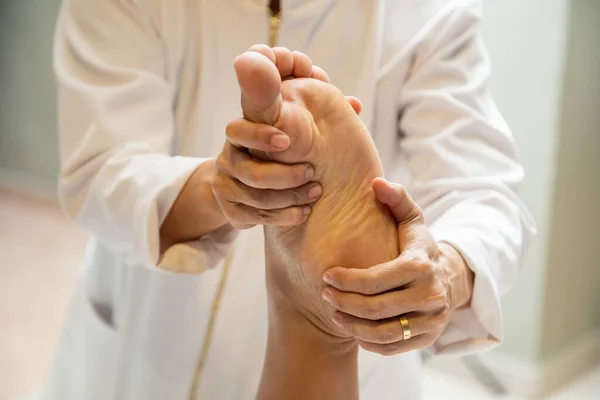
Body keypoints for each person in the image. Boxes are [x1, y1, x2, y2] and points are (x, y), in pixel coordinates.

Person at [43, 0, 535, 399]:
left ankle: (316, 315)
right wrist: (225, 188)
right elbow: (102, 166)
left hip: (355, 353)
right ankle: (315, 307)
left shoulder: (428, 11)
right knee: (325, 323)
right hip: (147, 336)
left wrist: (443, 272)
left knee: (324, 335)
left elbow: (483, 191)